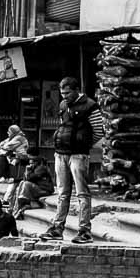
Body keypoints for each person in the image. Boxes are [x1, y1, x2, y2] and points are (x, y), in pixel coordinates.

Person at [42, 76, 106, 244]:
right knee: (62, 193)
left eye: (68, 93)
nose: (64, 96)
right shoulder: (63, 105)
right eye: (62, 93)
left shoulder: (90, 106)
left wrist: (83, 145)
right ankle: (57, 228)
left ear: (76, 90)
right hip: (60, 153)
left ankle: (85, 231)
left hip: (78, 154)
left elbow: (99, 130)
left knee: (82, 193)